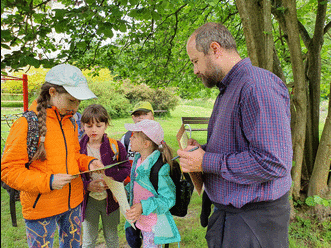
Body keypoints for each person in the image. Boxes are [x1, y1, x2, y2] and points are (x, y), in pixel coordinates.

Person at [177, 22, 292, 248]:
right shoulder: (229, 87)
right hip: (231, 219)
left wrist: (205, 160)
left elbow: (274, 162)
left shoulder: (256, 86)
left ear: (215, 49)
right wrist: (202, 151)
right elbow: (239, 146)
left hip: (254, 223)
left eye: (195, 61)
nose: (195, 70)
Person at [1, 64, 104, 248]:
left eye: (79, 101)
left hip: (73, 203)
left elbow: (73, 155)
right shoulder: (26, 124)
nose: (77, 106)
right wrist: (48, 181)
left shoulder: (71, 121)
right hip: (41, 208)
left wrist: (89, 163)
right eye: (72, 100)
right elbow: (8, 171)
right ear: (53, 92)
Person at [79, 104, 131, 248]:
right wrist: (87, 186)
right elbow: (73, 176)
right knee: (89, 239)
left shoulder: (116, 146)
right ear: (82, 126)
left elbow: (126, 167)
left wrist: (114, 180)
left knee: (112, 237)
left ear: (106, 125)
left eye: (98, 125)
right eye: (89, 126)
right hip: (88, 201)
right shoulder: (77, 148)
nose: (94, 130)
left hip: (111, 200)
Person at [124, 119, 181, 247]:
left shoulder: (159, 168)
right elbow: (136, 184)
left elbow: (168, 199)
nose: (130, 138)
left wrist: (143, 207)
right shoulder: (138, 160)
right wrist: (124, 192)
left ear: (146, 144)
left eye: (134, 136)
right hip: (140, 219)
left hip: (153, 226)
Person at [120, 101, 154, 184]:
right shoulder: (126, 138)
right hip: (130, 183)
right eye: (137, 115)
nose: (141, 118)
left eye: (145, 114)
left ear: (152, 117)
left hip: (151, 184)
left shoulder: (157, 138)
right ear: (133, 118)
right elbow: (121, 163)